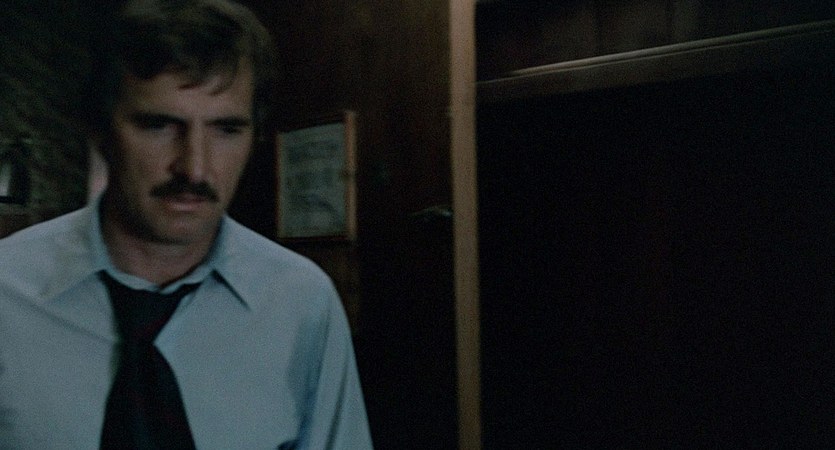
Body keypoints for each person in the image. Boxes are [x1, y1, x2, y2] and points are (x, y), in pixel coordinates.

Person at [0, 0, 373, 448]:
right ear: (100, 130)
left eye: (226, 129)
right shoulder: (7, 292)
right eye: (159, 125)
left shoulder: (301, 302)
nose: (195, 167)